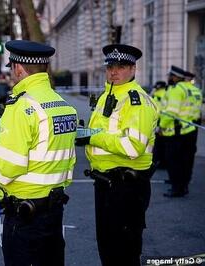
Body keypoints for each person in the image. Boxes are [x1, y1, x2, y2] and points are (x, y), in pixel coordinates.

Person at [0, 40, 77, 266]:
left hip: (25, 215)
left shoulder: (21, 107)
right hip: (54, 209)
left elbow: (4, 170)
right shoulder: (64, 105)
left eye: (12, 67)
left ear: (19, 68)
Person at [75, 44, 158, 266]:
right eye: (110, 66)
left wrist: (92, 137)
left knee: (124, 251)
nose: (114, 71)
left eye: (121, 67)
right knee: (107, 247)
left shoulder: (136, 101)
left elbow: (133, 147)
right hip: (106, 184)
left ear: (133, 69)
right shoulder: (106, 95)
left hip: (127, 186)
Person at [159, 65, 197, 197]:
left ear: (175, 77)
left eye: (170, 76)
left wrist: (161, 126)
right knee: (186, 161)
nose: (169, 78)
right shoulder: (190, 88)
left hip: (176, 132)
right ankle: (184, 186)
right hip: (189, 129)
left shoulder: (175, 90)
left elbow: (170, 113)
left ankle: (176, 188)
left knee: (173, 161)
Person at [151, 81, 167, 169]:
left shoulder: (158, 94)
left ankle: (158, 162)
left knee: (158, 144)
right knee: (162, 144)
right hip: (163, 122)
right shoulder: (166, 93)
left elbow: (157, 110)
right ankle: (162, 162)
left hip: (159, 122)